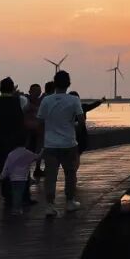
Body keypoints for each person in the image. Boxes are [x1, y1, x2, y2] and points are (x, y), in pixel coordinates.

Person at [36, 70, 86, 216]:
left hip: (50, 144)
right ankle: (70, 202)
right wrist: (74, 129)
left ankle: (50, 206)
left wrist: (46, 135)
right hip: (69, 143)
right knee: (70, 174)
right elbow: (81, 121)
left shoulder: (46, 100)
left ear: (54, 83)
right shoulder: (74, 100)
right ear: (68, 83)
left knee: (50, 177)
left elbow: (40, 121)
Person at [0, 77, 27, 179]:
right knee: (18, 154)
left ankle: (0, 173)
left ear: (0, 88)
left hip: (0, 132)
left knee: (2, 152)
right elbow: (25, 108)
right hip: (17, 132)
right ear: (12, 88)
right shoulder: (20, 100)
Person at [0, 144, 39, 215]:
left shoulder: (11, 154)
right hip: (22, 178)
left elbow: (6, 166)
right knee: (19, 193)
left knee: (15, 192)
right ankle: (16, 208)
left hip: (13, 177)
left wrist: (3, 175)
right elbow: (37, 157)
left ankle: (15, 208)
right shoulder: (27, 152)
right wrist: (43, 150)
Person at [24, 83, 45, 178]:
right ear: (30, 91)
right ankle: (26, 172)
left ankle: (37, 169)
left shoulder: (41, 101)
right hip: (28, 130)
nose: (37, 93)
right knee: (27, 150)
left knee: (39, 150)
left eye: (39, 91)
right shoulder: (25, 100)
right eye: (35, 91)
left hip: (39, 130)